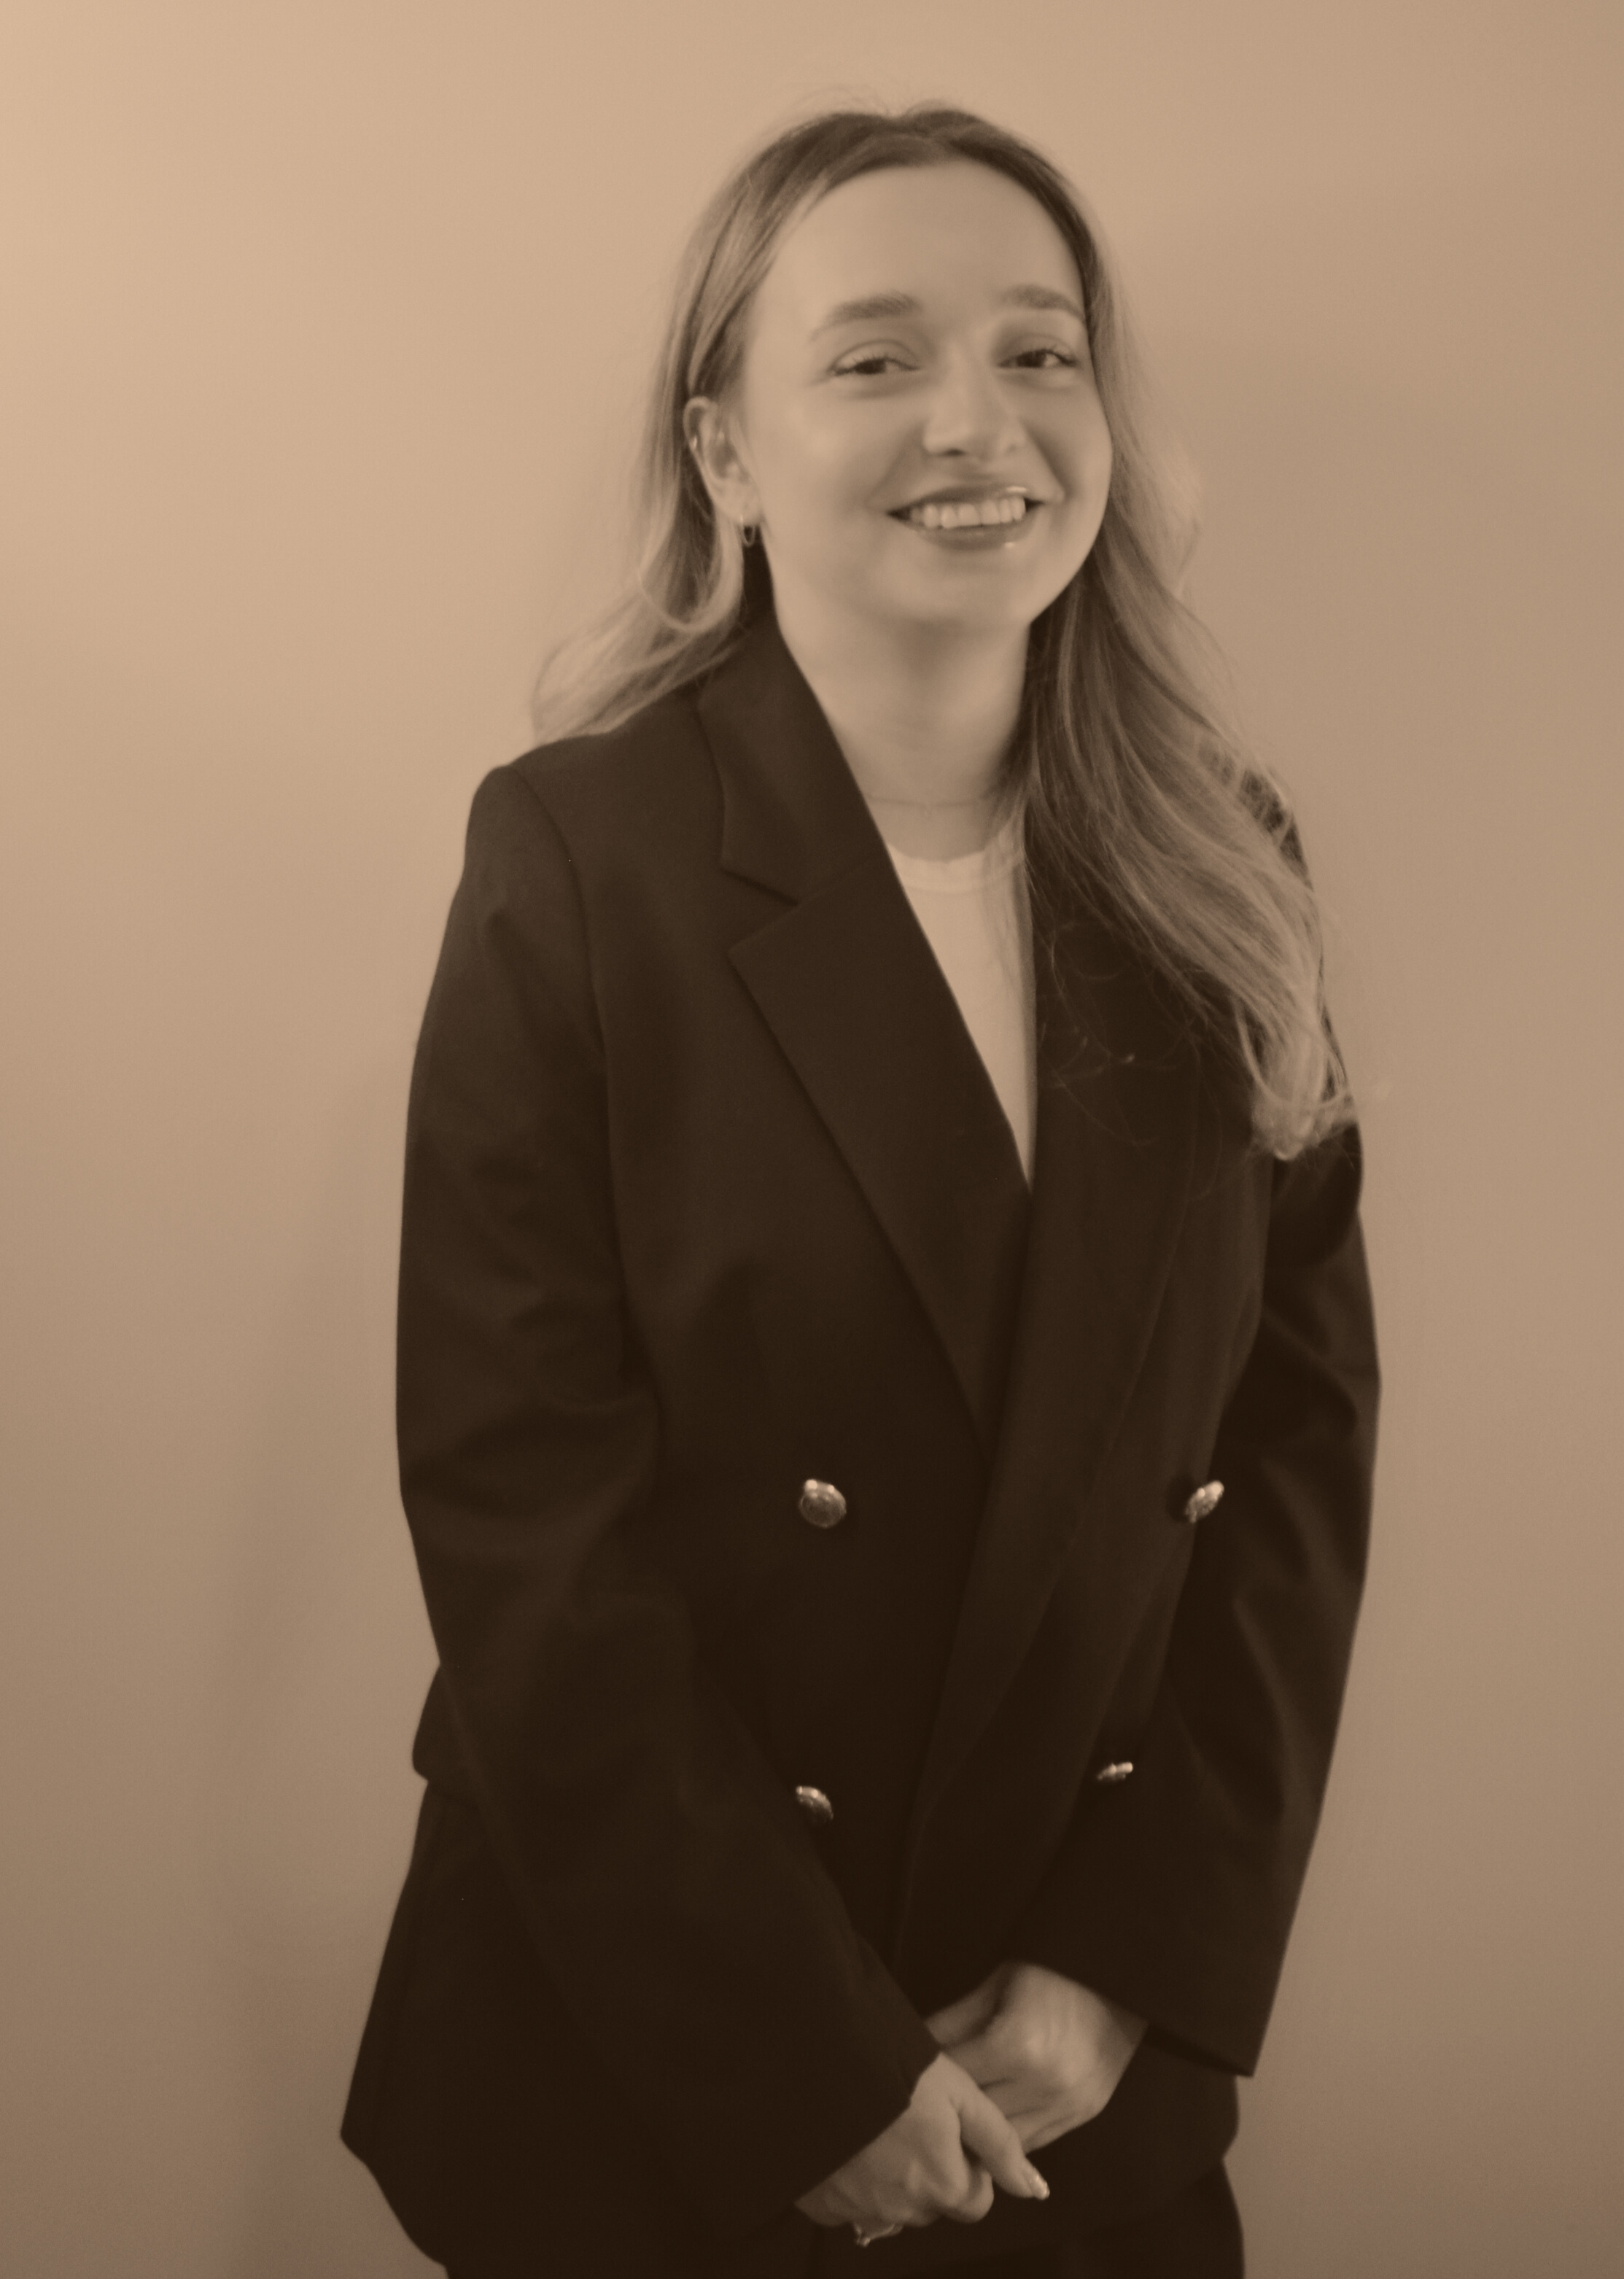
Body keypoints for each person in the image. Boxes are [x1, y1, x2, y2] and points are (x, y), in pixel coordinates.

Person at [341, 102, 1378, 2279]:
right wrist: (794, 2060)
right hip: (651, 2046)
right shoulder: (578, 858)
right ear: (721, 449)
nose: (975, 422)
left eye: (1038, 351)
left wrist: (1129, 1966)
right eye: (873, 357)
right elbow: (525, 1512)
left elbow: (1289, 1458)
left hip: (1065, 2062)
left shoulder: (1220, 866)